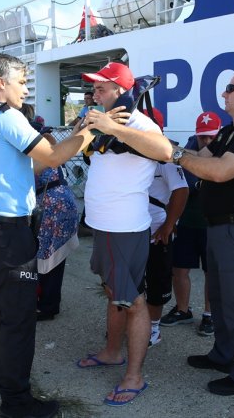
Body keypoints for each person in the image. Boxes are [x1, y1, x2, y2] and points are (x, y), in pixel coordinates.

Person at [0, 53, 96, 418]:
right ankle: (16, 402)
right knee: (19, 318)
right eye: (22, 81)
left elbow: (34, 163)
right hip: (9, 235)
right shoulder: (9, 116)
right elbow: (56, 158)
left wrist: (75, 135)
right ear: (1, 83)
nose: (26, 88)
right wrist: (92, 130)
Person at [74, 62, 173, 407]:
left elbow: (164, 151)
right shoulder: (104, 120)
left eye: (101, 88)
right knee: (113, 292)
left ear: (120, 90)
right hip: (104, 227)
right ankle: (112, 351)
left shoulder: (138, 122)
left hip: (123, 229)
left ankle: (135, 376)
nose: (94, 93)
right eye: (94, 88)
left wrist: (112, 128)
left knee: (133, 301)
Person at [173, 65, 234, 396]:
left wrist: (174, 154)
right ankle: (223, 354)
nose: (224, 94)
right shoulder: (230, 132)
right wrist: (168, 146)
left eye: (230, 88)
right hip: (220, 229)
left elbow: (218, 171)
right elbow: (201, 155)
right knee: (220, 298)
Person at [160, 111, 221, 336]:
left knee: (211, 272)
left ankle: (209, 314)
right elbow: (187, 185)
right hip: (187, 220)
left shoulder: (225, 147)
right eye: (203, 137)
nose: (207, 141)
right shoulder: (188, 148)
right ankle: (183, 310)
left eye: (211, 137)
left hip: (213, 223)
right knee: (179, 269)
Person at [141, 107, 188, 347]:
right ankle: (135, 325)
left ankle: (153, 329)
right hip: (133, 231)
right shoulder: (132, 151)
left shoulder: (166, 154)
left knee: (157, 283)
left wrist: (169, 226)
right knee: (134, 283)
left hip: (156, 232)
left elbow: (181, 191)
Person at [34, 129, 80, 321]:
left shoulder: (34, 156)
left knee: (47, 258)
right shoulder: (50, 151)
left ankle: (47, 306)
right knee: (55, 259)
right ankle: (49, 302)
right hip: (64, 205)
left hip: (51, 209)